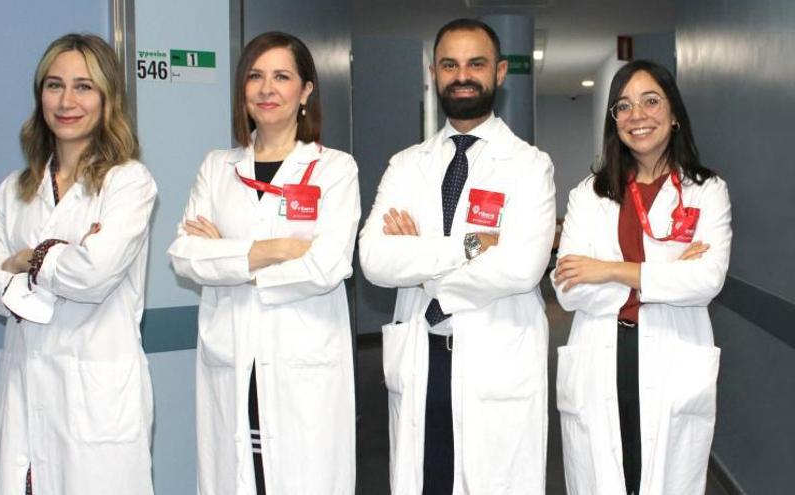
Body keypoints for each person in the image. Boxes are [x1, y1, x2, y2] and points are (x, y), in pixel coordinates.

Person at [359, 18, 556, 495]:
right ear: (434, 73)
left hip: (497, 353)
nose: (462, 75)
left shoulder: (530, 165)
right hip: (421, 355)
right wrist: (469, 247)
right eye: (450, 64)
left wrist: (423, 265)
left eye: (476, 63)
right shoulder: (407, 164)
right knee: (425, 481)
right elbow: (374, 260)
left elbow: (523, 266)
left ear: (500, 72)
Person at [0, 33, 156, 495]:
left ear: (107, 99)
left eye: (84, 86)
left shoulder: (128, 183)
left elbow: (93, 275)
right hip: (26, 400)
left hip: (94, 408)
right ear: (40, 97)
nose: (67, 100)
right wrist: (55, 259)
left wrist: (27, 259)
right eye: (54, 85)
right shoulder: (15, 189)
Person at [168, 31, 359, 495]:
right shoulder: (218, 167)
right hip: (231, 356)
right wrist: (271, 250)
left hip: (302, 361)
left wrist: (229, 255)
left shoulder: (334, 169)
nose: (266, 89)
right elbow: (184, 255)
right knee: (237, 476)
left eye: (281, 76)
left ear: (306, 91)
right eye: (255, 76)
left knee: (301, 478)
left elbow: (327, 267)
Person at [552, 59, 732, 495]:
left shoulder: (707, 191)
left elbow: (706, 281)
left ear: (673, 114)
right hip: (601, 352)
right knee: (606, 475)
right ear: (614, 121)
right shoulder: (587, 194)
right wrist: (667, 275)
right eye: (624, 106)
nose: (637, 116)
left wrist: (609, 269)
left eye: (651, 101)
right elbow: (569, 288)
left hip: (672, 352)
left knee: (664, 478)